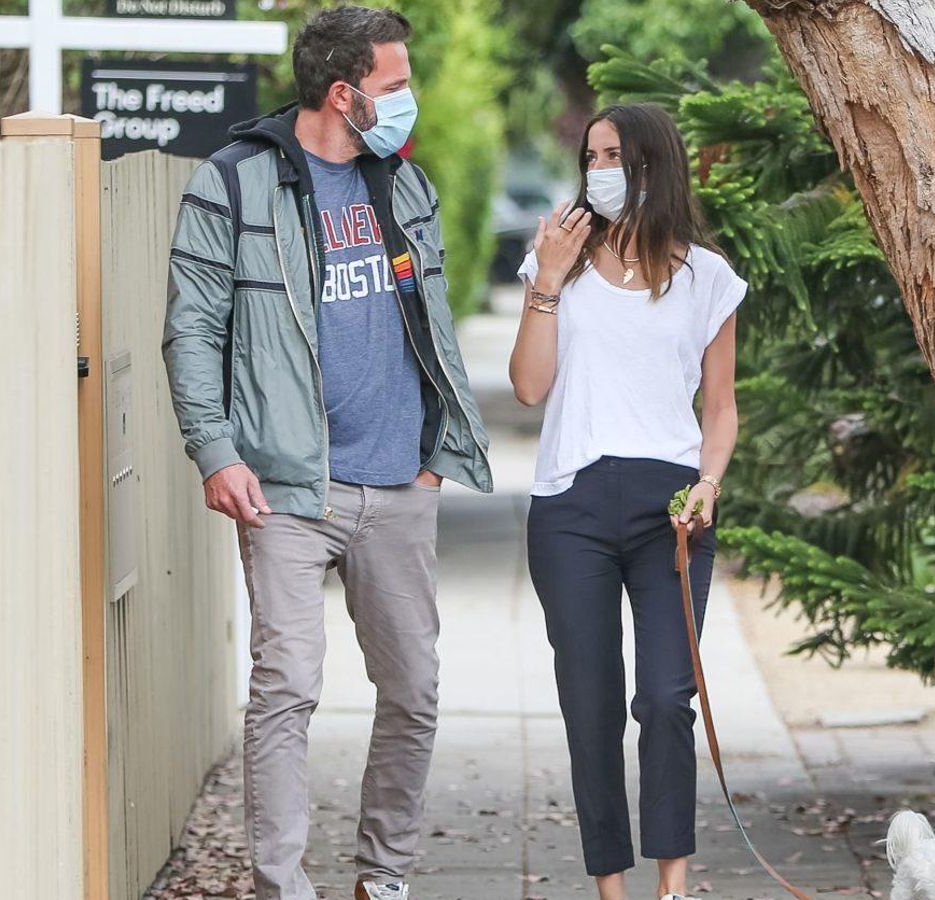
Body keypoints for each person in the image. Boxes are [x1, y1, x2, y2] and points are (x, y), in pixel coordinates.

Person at [161, 7, 492, 900]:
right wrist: (215, 452)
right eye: (395, 85)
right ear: (344, 94)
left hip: (400, 482)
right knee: (286, 689)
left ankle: (382, 879)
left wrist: (437, 451)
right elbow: (193, 330)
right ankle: (284, 887)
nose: (409, 100)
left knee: (414, 691)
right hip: (287, 487)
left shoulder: (406, 185)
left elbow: (435, 322)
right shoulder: (232, 184)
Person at [508, 103, 745, 900]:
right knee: (591, 705)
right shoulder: (559, 263)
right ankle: (611, 889)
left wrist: (708, 484)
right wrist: (546, 282)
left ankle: (671, 888)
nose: (600, 170)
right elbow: (529, 387)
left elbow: (721, 408)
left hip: (670, 507)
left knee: (668, 698)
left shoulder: (706, 277)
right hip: (570, 506)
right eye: (592, 156)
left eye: (615, 156)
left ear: (654, 163)